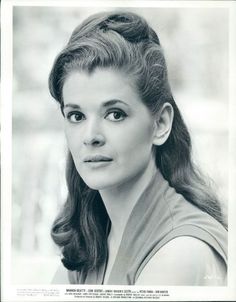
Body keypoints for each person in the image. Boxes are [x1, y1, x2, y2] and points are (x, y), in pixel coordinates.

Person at [48, 10, 227, 285]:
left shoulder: (181, 252)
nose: (90, 136)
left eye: (115, 114)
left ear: (160, 124)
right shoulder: (91, 240)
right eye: (76, 116)